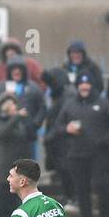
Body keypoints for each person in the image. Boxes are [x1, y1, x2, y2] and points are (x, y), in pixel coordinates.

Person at [56, 74, 109, 217]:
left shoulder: (103, 103)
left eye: (88, 84)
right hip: (77, 154)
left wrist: (104, 141)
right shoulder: (70, 104)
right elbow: (58, 126)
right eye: (82, 85)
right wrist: (67, 129)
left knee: (102, 187)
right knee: (82, 191)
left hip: (99, 155)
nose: (85, 87)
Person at [0, 95, 33, 217]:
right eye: (13, 106)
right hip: (2, 168)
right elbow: (3, 133)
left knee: (14, 199)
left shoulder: (17, 123)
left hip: (16, 168)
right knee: (2, 198)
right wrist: (16, 118)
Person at [39, 67, 75, 205]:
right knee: (63, 170)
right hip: (59, 140)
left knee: (67, 170)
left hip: (64, 140)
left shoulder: (66, 95)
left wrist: (51, 135)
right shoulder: (58, 95)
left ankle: (72, 196)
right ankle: (69, 196)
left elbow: (61, 118)